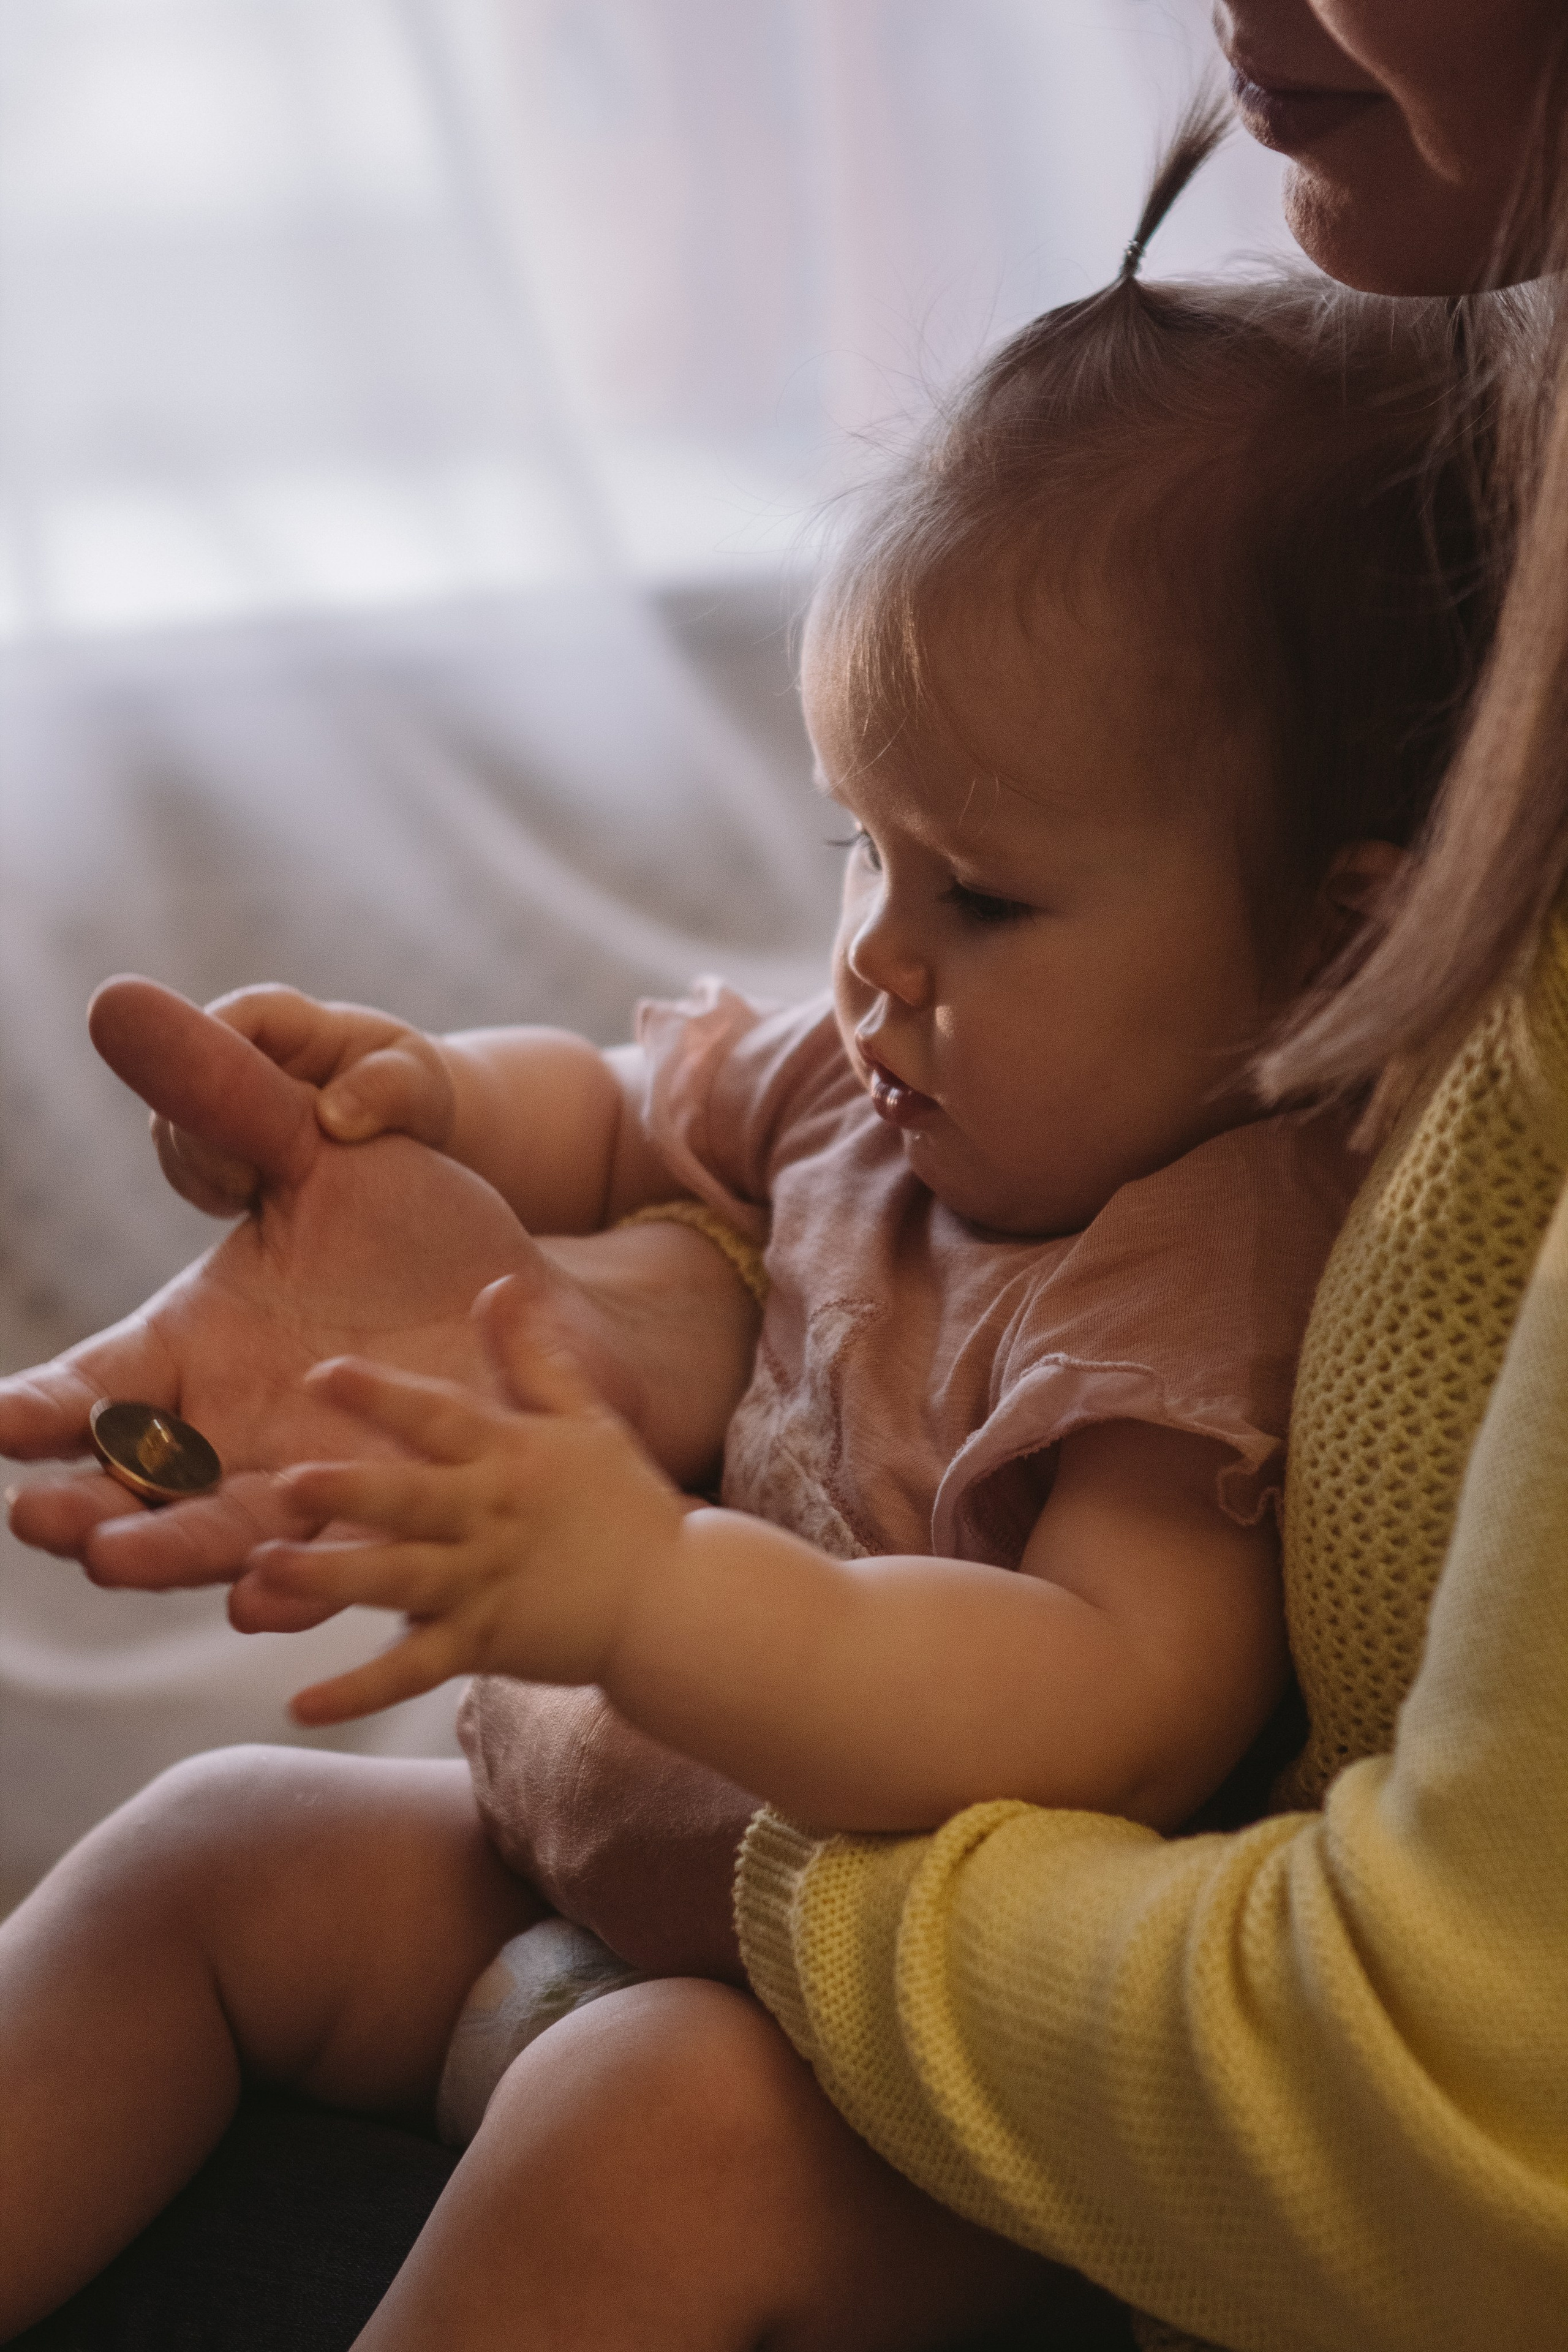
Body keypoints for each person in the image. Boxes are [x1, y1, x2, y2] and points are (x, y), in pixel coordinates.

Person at [0, 91, 1517, 2349]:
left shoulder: (1197, 1283)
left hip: (903, 2107)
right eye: (857, 845)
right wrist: (424, 1103)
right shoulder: (887, 1076)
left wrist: (646, 1593)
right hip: (609, 1885)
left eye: (982, 893)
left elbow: (1102, 1698)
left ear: (1324, 944)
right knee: (214, 1839)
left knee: (648, 2124)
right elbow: (627, 1118)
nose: (878, 953)